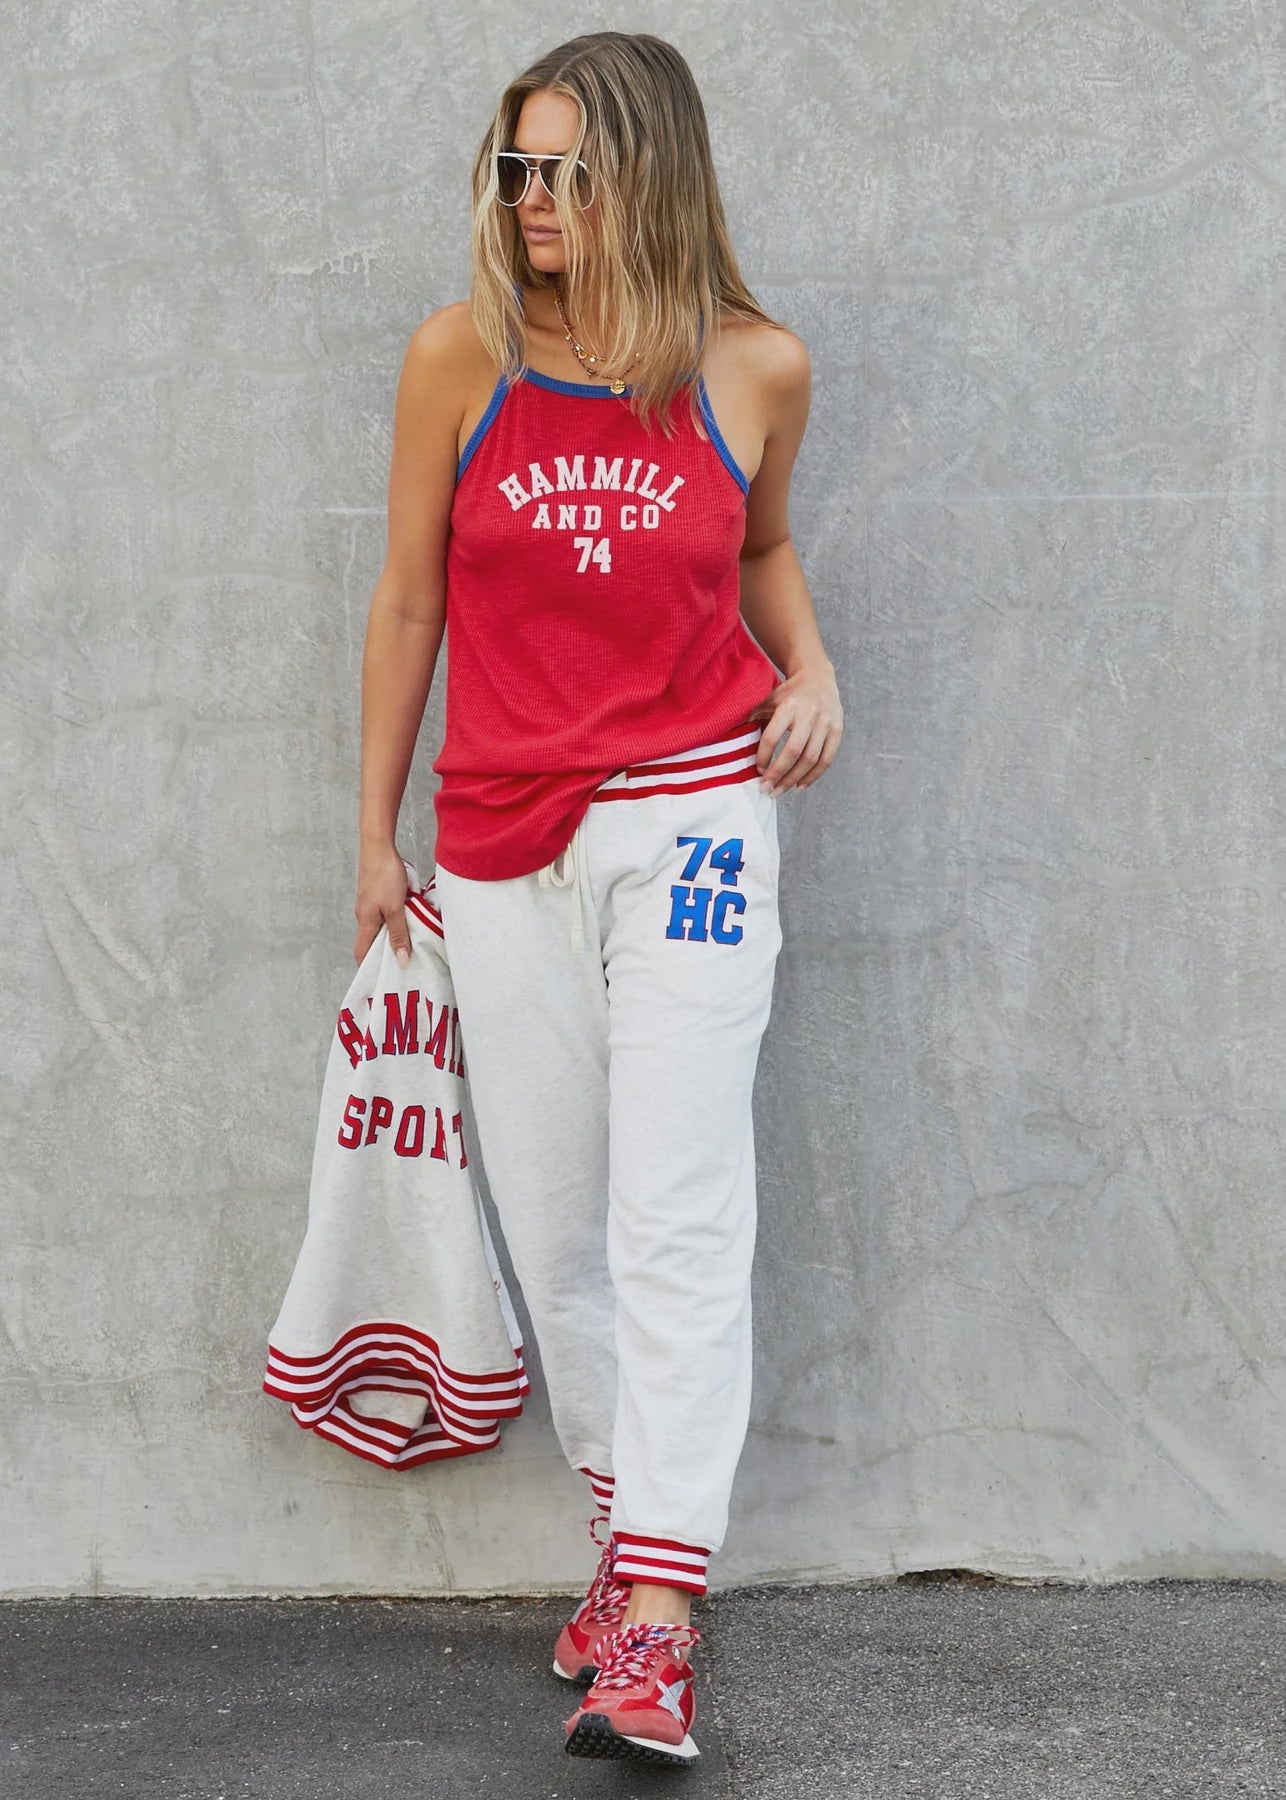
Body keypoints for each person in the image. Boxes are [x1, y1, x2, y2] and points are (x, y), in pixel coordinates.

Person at [353, 29, 842, 1768]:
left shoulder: (753, 366)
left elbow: (758, 547)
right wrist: (371, 835)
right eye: (516, 168)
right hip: (499, 840)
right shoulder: (459, 358)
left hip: (692, 824)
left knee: (677, 1212)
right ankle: (626, 1545)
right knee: (560, 1225)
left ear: (649, 173)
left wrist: (812, 670)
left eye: (566, 168)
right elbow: (410, 602)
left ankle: (659, 1616)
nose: (533, 200)